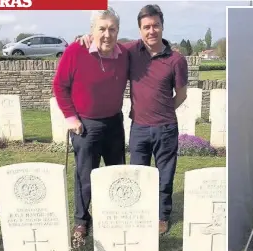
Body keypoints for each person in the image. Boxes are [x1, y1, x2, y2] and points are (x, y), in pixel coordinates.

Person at [78, 4, 188, 235]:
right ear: (140, 30)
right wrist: (87, 38)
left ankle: (162, 215)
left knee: (165, 175)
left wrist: (164, 111)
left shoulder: (177, 60)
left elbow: (182, 94)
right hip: (138, 127)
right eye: (146, 27)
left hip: (166, 128)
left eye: (155, 25)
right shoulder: (129, 52)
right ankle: (140, 210)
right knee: (138, 175)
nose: (151, 31)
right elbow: (105, 44)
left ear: (162, 26)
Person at [53, 8, 129, 239]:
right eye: (102, 29)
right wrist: (71, 117)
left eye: (112, 29)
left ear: (118, 31)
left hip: (114, 123)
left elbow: (145, 46)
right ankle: (81, 220)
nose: (107, 34)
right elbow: (60, 86)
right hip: (85, 126)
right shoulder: (76, 50)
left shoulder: (125, 53)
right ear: (92, 31)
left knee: (117, 173)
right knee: (85, 175)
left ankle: (117, 212)